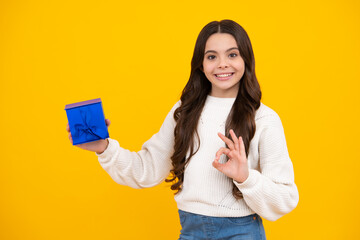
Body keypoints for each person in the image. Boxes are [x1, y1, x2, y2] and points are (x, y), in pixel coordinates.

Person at [66, 19, 299, 240]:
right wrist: (104, 149)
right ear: (201, 64)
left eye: (232, 54)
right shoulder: (184, 111)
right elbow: (146, 170)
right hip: (191, 229)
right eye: (211, 56)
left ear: (246, 60)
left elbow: (285, 199)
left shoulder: (265, 118)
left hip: (242, 232)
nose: (222, 64)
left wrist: (245, 177)